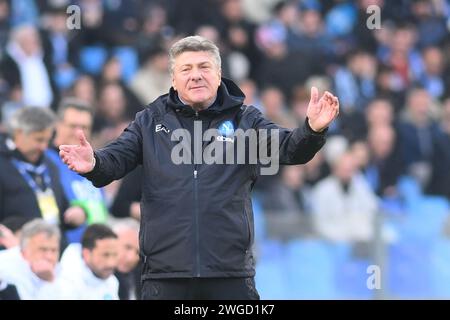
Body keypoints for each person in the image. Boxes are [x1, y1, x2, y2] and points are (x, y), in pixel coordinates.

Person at [59, 35, 339, 300]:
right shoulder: (150, 120)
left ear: (218, 75)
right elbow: (114, 161)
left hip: (229, 273)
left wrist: (312, 129)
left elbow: (290, 148)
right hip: (165, 275)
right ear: (174, 79)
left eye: (204, 67)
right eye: (186, 69)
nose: (195, 75)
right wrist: (93, 162)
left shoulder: (246, 120)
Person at [0, 107, 86, 235]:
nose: (44, 147)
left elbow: (61, 208)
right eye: (39, 140)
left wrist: (75, 213)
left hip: (54, 247)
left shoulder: (49, 164)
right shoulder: (3, 164)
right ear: (18, 133)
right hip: (15, 250)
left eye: (47, 140)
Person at [46, 98, 108, 226]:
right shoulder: (44, 161)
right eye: (73, 126)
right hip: (63, 243)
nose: (79, 132)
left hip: (98, 242)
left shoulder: (94, 164)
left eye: (85, 127)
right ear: (57, 125)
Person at [0, 219, 64, 299]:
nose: (49, 256)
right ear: (25, 250)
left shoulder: (61, 270)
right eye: (43, 249)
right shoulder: (5, 266)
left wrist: (50, 281)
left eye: (54, 250)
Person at [59, 224, 119, 300]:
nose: (111, 263)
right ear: (86, 254)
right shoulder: (65, 284)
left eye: (115, 254)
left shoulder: (112, 281)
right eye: (105, 255)